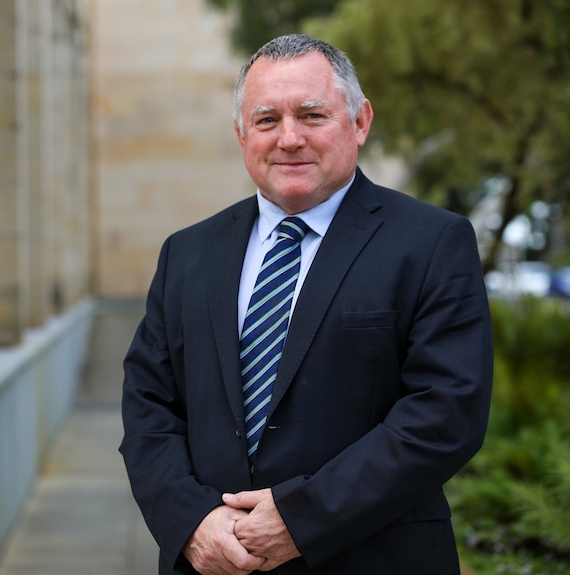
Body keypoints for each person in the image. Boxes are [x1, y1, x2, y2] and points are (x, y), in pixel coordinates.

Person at [119, 33, 493, 575]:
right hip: (212, 564)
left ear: (360, 122)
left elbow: (446, 412)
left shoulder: (432, 242)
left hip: (374, 559)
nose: (289, 138)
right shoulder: (187, 253)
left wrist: (301, 519)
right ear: (241, 132)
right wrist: (191, 522)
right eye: (267, 120)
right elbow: (149, 406)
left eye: (312, 115)